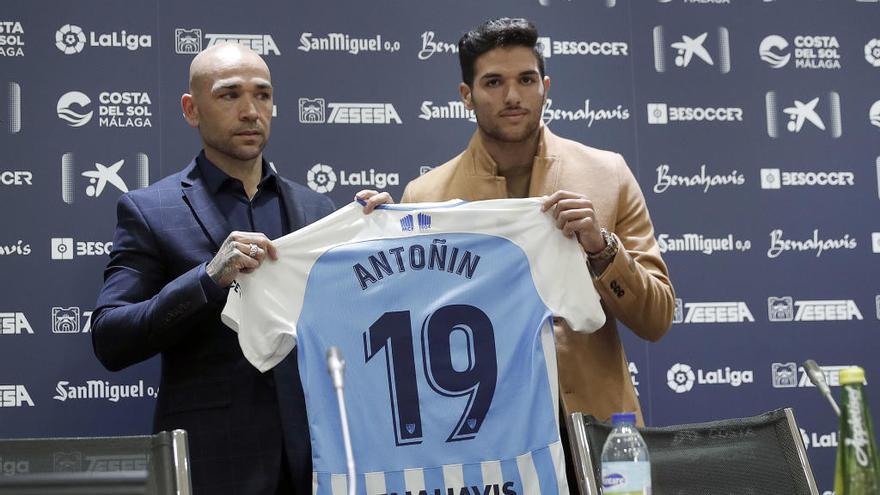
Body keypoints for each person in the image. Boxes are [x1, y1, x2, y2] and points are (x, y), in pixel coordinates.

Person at [91, 43, 389, 494]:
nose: (251, 111)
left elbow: (358, 325)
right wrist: (207, 281)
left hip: (319, 462)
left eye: (263, 95)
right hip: (214, 464)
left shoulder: (317, 208)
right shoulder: (150, 210)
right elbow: (111, 337)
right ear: (192, 110)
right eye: (230, 95)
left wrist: (377, 241)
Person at [402, 18, 674, 425]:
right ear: (466, 95)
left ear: (546, 87)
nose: (513, 96)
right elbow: (411, 336)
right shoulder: (425, 199)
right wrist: (378, 231)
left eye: (527, 79)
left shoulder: (608, 174)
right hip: (485, 439)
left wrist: (603, 251)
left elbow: (657, 319)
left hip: (597, 436)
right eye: (493, 82)